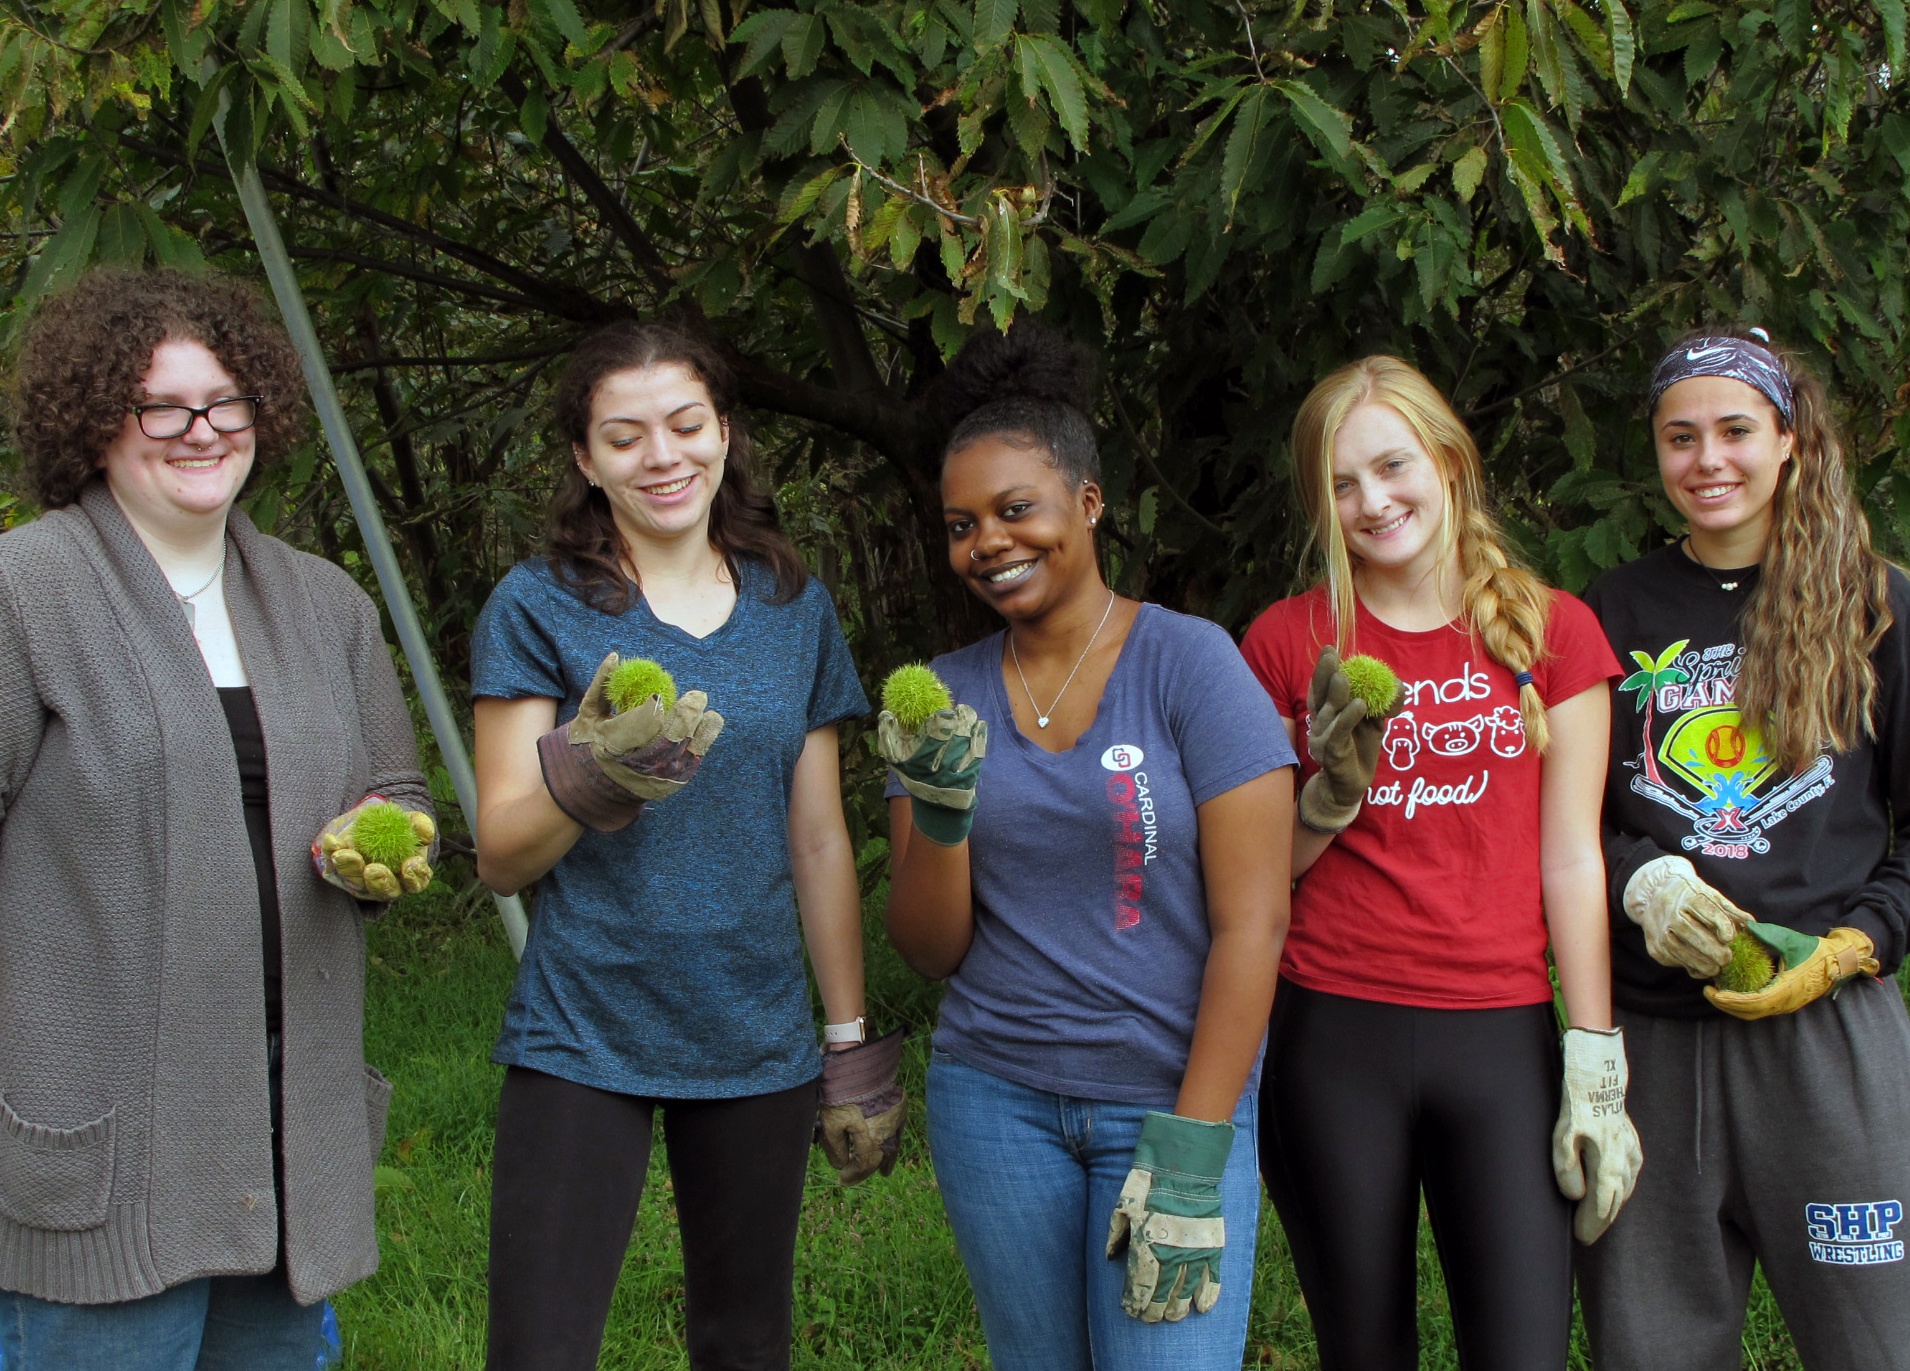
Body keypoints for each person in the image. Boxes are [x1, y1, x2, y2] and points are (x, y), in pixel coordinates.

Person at [0, 267, 433, 1369]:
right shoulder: (27, 591)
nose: (200, 430)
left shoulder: (324, 602)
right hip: (110, 1139)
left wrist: (381, 846)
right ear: (95, 421)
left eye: (223, 402)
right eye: (162, 406)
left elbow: (401, 797)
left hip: (285, 1126)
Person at [470, 320, 895, 1371]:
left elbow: (817, 838)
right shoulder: (535, 606)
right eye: (623, 437)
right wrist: (585, 774)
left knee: (744, 1342)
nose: (661, 457)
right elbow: (501, 857)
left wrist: (845, 1039)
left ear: (723, 433)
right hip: (584, 1027)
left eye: (683, 424)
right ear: (584, 460)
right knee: (539, 1349)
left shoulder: (792, 606)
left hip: (753, 1031)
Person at [880, 324, 1293, 1371]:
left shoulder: (1189, 666)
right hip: (994, 1100)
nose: (988, 543)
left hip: (1167, 1095)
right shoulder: (946, 691)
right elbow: (928, 950)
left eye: (1016, 510)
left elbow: (1254, 921)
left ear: (1089, 504)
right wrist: (938, 814)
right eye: (961, 524)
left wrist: (1197, 1150)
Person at [1238, 355, 1642, 1370]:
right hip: (1332, 1034)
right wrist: (1325, 800)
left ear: (1448, 461)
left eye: (1391, 466)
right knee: (1361, 1348)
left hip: (1498, 1039)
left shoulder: (1553, 633)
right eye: (1340, 484)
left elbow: (1570, 861)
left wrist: (1592, 1055)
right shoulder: (1287, 645)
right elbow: (1249, 880)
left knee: (1520, 1351)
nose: (1372, 502)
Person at [1576, 329, 1910, 1369]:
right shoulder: (1609, 614)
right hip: (1650, 1039)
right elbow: (1568, 820)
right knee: (1651, 1345)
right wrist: (1639, 883)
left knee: (1873, 1340)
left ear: (1787, 441)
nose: (1705, 460)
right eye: (1679, 438)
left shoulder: (1878, 606)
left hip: (1826, 1037)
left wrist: (1851, 945)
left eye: (1732, 431)